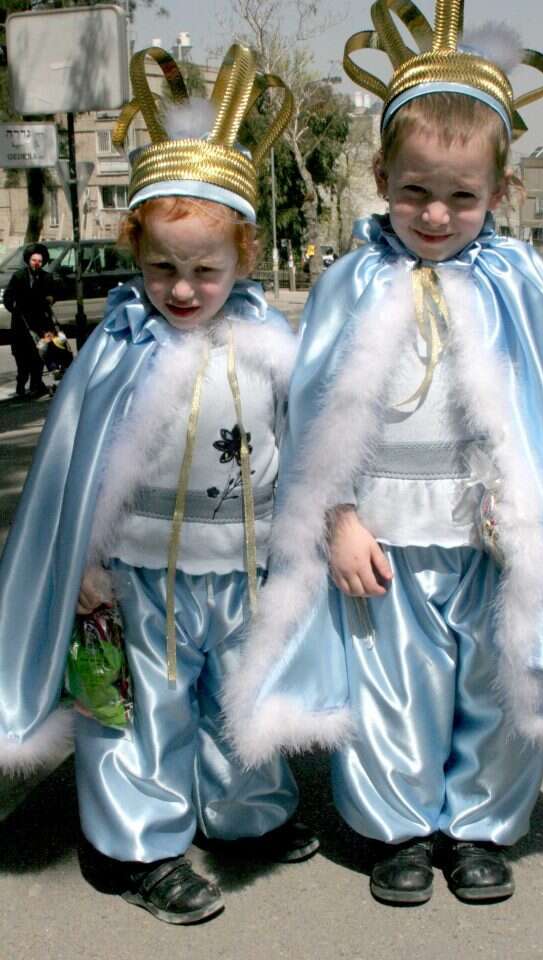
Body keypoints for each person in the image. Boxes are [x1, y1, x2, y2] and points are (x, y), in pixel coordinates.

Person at [223, 0, 543, 906]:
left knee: (494, 680)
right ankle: (398, 829)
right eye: (414, 191)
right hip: (382, 530)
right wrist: (333, 518)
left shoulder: (522, 282)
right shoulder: (347, 282)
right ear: (380, 175)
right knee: (390, 686)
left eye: (462, 196)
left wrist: (537, 517)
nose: (436, 214)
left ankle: (479, 826)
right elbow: (312, 413)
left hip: (490, 529)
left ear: (501, 191)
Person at [0, 44, 317, 926]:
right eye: (161, 267)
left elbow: (308, 445)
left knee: (239, 698)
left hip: (243, 568)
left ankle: (244, 814)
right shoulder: (118, 352)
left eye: (205, 270)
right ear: (134, 251)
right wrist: (85, 564)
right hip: (138, 574)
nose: (182, 288)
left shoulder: (269, 345)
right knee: (140, 710)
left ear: (244, 257)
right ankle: (138, 846)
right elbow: (76, 465)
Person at [2, 241, 55, 397]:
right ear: (28, 260)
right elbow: (8, 297)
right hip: (22, 323)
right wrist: (14, 308)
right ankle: (21, 384)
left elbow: (53, 294)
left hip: (40, 323)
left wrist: (51, 298)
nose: (36, 264)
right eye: (34, 260)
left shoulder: (47, 277)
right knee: (21, 355)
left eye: (39, 261)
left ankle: (36, 384)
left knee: (39, 354)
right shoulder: (18, 276)